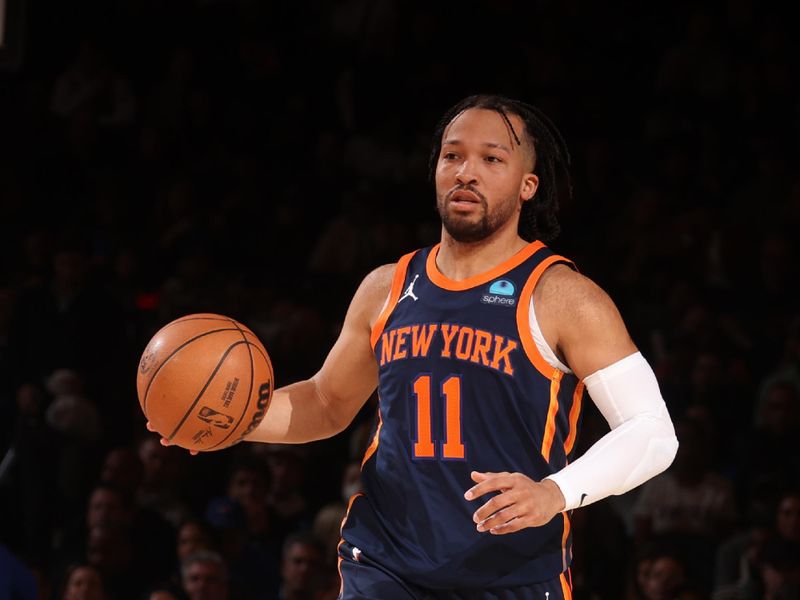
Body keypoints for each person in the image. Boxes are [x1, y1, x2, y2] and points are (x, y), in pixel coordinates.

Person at [155, 94, 679, 598]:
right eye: (452, 155)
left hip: (510, 571)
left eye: (491, 159)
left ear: (527, 186)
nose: (465, 171)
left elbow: (652, 432)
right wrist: (228, 420)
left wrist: (554, 493)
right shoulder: (386, 286)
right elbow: (327, 402)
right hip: (386, 562)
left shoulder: (563, 296)